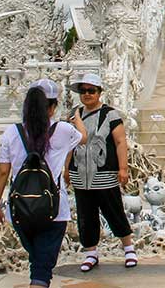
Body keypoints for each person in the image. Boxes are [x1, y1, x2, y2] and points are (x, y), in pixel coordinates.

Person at [0, 79, 88, 288]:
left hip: (21, 209)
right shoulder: (63, 130)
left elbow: (2, 172)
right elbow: (83, 137)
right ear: (53, 107)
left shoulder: (12, 132)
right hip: (53, 208)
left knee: (37, 261)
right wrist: (77, 117)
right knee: (42, 268)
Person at [64, 73, 137, 272]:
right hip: (81, 173)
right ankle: (91, 252)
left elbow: (120, 142)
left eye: (91, 90)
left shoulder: (110, 115)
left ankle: (128, 247)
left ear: (99, 93)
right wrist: (66, 168)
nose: (87, 95)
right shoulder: (73, 114)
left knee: (113, 210)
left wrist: (123, 168)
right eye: (83, 91)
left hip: (103, 172)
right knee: (85, 214)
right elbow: (69, 143)